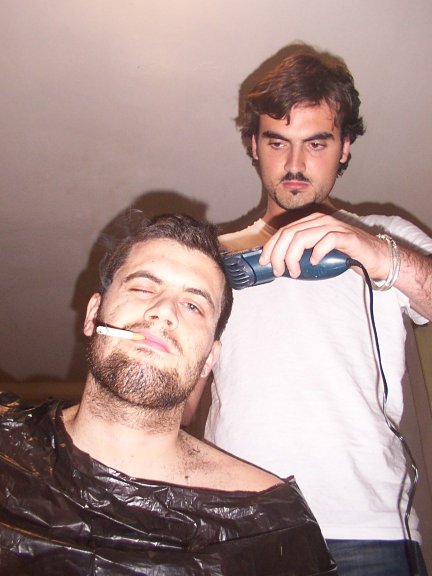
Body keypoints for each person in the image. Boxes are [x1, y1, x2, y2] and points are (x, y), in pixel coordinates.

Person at [184, 44, 432, 575]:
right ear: (254, 145)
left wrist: (375, 252)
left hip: (369, 528)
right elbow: (177, 408)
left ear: (345, 148)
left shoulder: (386, 236)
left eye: (316, 143)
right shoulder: (208, 259)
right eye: (278, 142)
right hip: (240, 529)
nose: (295, 164)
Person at [0, 214, 337, 575]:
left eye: (193, 306)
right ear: (93, 314)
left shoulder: (269, 524)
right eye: (143, 288)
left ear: (209, 359)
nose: (163, 312)